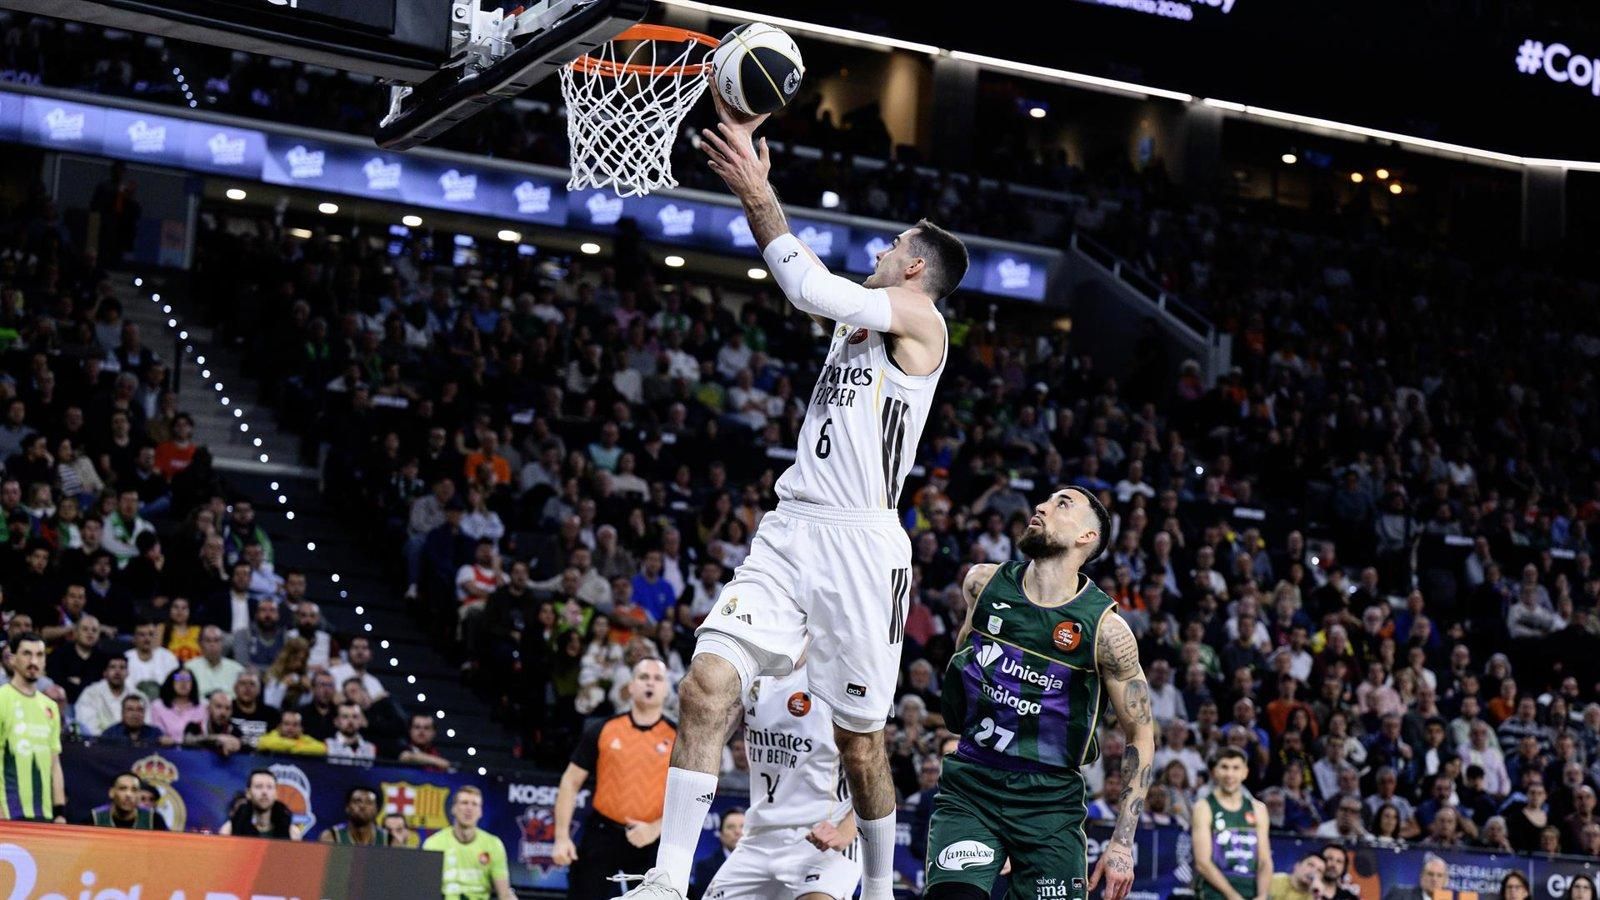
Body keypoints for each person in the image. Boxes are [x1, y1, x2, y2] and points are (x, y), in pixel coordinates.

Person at [627, 90, 970, 900]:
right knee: (707, 681)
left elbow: (807, 286)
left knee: (861, 745)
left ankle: (880, 889)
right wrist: (758, 184)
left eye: (893, 245)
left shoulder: (921, 317)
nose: (882, 250)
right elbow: (804, 275)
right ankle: (668, 879)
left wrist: (755, 184)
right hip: (792, 529)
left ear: (915, 266)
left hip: (862, 543)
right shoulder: (865, 319)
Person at [923, 487, 1152, 900]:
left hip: (1049, 804)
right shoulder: (983, 584)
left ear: (1087, 537)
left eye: (1062, 504)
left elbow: (1141, 735)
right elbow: (959, 679)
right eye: (1045, 500)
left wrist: (1121, 843)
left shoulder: (1107, 631)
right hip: (972, 786)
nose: (1042, 507)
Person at [702, 660, 861, 900]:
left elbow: (874, 771)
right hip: (759, 838)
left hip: (824, 836)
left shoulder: (836, 679)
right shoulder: (750, 674)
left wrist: (847, 831)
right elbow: (706, 740)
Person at [554, 658, 677, 900]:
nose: (650, 683)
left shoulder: (678, 738)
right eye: (643, 677)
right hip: (603, 832)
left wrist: (655, 828)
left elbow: (695, 797)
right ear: (630, 686)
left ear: (666, 689)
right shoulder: (603, 729)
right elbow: (570, 782)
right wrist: (561, 837)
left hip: (653, 839)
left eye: (657, 678)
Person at [0, 632, 66, 821]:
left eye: (39, 655)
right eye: (27, 654)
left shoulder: (50, 707)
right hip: (7, 814)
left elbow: (55, 763)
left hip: (43, 816)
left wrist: (60, 812)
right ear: (12, 659)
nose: (33, 661)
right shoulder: (2, 699)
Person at [1192, 748, 1273, 900]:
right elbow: (1202, 863)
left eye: (1236, 768)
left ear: (1245, 772)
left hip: (1251, 889)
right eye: (1224, 767)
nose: (1230, 774)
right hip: (1214, 892)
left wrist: (1262, 895)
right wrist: (1233, 897)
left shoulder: (1258, 809)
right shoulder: (1203, 807)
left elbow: (1265, 861)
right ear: (1214, 772)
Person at [422, 786, 516, 900]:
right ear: (453, 809)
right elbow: (425, 891)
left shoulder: (493, 844)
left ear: (480, 812)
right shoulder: (433, 844)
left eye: (474, 804)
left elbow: (504, 894)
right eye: (464, 803)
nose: (469, 808)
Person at [219, 768, 303, 839]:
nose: (264, 792)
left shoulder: (291, 832)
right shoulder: (230, 829)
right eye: (258, 786)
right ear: (248, 793)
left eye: (269, 787)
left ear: (276, 794)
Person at [689, 809, 744, 900]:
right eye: (731, 827)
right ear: (721, 834)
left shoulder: (760, 865)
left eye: (743, 827)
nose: (738, 832)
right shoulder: (704, 867)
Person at [74, 655, 133, 737]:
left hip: (130, 746)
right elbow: (87, 728)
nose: (117, 672)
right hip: (99, 744)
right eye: (113, 667)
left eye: (122, 667)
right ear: (105, 673)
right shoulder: (90, 694)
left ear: (127, 673)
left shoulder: (136, 695)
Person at [92, 771, 169, 829]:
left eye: (134, 790)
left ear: (139, 794)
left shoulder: (154, 819)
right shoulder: (95, 818)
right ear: (111, 792)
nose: (128, 794)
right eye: (123, 788)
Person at [186, 625, 245, 701]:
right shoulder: (188, 668)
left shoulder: (238, 670)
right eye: (208, 641)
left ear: (223, 643)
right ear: (200, 644)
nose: (212, 645)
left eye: (216, 640)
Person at [183, 689, 245, 756]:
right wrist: (216, 739)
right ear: (208, 708)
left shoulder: (235, 731)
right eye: (218, 707)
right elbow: (187, 741)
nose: (223, 713)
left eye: (227, 708)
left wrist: (237, 745)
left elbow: (245, 745)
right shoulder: (194, 726)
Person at [320, 786, 387, 845]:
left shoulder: (388, 839)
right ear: (347, 807)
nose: (362, 806)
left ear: (376, 810)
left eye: (369, 802)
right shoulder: (332, 836)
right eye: (357, 801)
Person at [98, 694, 166, 748]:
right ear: (122, 713)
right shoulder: (110, 734)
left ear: (144, 713)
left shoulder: (155, 733)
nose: (135, 714)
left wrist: (169, 744)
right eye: (130, 709)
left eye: (140, 710)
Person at [256, 709, 327, 756]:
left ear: (301, 728)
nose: (290, 728)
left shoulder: (304, 738)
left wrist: (287, 747)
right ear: (279, 726)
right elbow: (263, 743)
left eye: (295, 725)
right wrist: (297, 746)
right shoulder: (273, 735)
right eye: (286, 724)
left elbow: (322, 748)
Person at [1381, 854, 1449, 900]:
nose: (1434, 879)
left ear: (1445, 880)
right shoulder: (1400, 895)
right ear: (1422, 876)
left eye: (1439, 875)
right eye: (1430, 874)